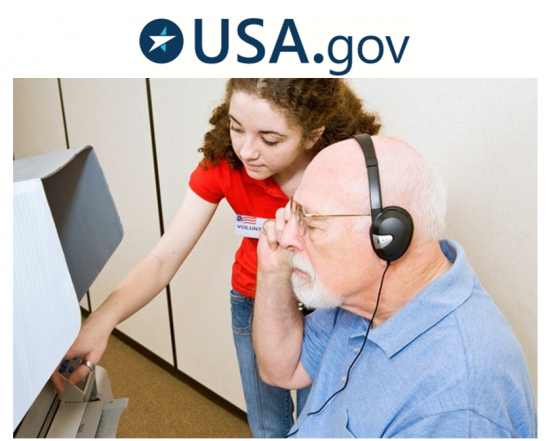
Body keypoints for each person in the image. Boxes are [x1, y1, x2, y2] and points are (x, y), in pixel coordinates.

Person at [50, 79, 382, 438]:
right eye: (236, 128)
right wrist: (102, 320)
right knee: (268, 426)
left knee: (320, 422)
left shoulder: (347, 171)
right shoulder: (224, 165)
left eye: (270, 140)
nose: (246, 151)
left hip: (325, 307)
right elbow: (164, 258)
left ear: (313, 134)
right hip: (253, 301)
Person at [254, 135, 537, 437]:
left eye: (311, 223)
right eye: (295, 213)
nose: (286, 238)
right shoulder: (359, 297)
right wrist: (272, 274)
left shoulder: (456, 402)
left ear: (388, 237)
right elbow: (282, 370)